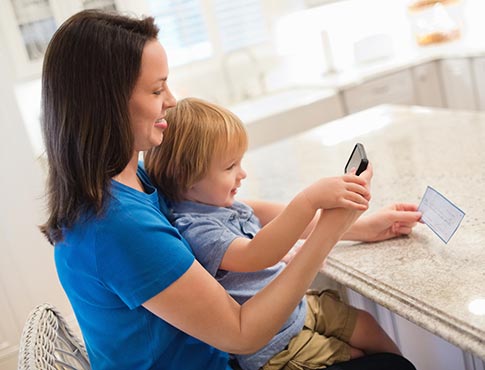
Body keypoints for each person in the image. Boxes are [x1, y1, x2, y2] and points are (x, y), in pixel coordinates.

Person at [40, 9, 421, 370]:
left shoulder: (131, 179)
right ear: (107, 105)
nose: (171, 101)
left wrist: (359, 227)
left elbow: (237, 213)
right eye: (157, 91)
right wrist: (330, 227)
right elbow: (242, 333)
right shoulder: (116, 227)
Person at [144, 98, 406, 370]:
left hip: (297, 309)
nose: (242, 174)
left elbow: (283, 224)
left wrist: (364, 228)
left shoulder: (220, 205)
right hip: (276, 347)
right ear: (187, 176)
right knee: (356, 356)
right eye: (230, 166)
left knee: (368, 325)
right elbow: (256, 254)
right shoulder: (197, 229)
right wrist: (308, 200)